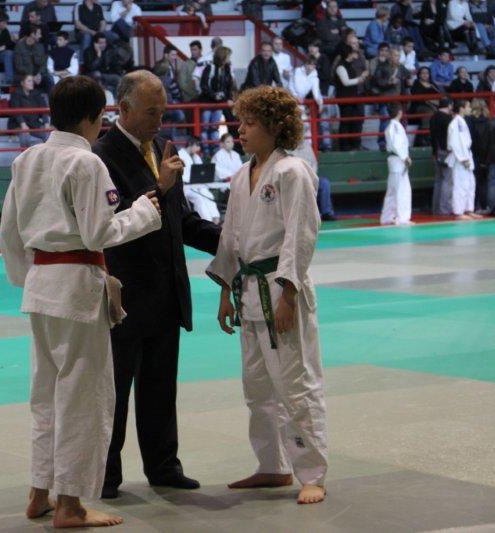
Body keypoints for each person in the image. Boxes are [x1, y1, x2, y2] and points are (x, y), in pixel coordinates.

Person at [0, 74, 163, 529]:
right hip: (75, 288)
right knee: (82, 397)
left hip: (41, 285)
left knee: (46, 395)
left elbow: (9, 232)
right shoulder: (86, 162)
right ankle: (69, 505)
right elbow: (98, 233)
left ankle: (40, 492)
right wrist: (143, 212)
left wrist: (28, 280)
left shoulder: (26, 160)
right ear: (95, 117)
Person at [92, 70, 221, 499]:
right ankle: (105, 475)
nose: (159, 121)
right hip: (124, 293)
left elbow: (179, 218)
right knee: (115, 391)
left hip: (166, 289)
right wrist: (160, 185)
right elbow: (112, 224)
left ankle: (164, 466)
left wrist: (229, 241)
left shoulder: (163, 150)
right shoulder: (100, 156)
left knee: (161, 387)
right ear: (124, 109)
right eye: (151, 112)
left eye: (163, 112)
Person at [206, 85, 327, 506]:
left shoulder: (292, 172)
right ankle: (272, 465)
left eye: (250, 123)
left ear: (276, 127)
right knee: (257, 388)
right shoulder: (242, 175)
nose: (240, 130)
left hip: (279, 288)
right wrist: (226, 290)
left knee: (295, 384)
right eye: (240, 121)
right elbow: (231, 237)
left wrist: (289, 294)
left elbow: (301, 233)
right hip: (249, 292)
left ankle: (312, 473)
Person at [199, 46, 237, 155]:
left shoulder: (227, 69)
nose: (230, 59)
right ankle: (206, 152)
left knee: (215, 128)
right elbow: (204, 85)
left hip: (219, 103)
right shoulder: (210, 67)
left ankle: (215, 150)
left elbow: (229, 86)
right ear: (223, 57)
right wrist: (213, 95)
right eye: (228, 56)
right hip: (207, 103)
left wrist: (228, 98)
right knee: (205, 128)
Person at [447, 99, 481, 219]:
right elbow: (455, 142)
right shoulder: (455, 123)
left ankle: (468, 209)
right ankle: (458, 212)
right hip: (460, 158)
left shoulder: (462, 122)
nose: (470, 109)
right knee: (460, 185)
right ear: (461, 108)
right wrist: (462, 158)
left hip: (467, 155)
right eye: (468, 106)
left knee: (470, 184)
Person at [381, 103, 413, 225]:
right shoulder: (395, 127)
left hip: (396, 161)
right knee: (402, 191)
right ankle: (402, 218)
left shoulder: (392, 126)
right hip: (398, 160)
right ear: (400, 112)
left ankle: (387, 217)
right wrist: (405, 157)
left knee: (392, 191)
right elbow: (396, 144)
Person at [334, 44, 368, 151]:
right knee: (346, 122)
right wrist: (360, 79)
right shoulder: (340, 67)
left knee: (354, 122)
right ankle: (345, 146)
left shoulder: (349, 65)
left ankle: (354, 145)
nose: (355, 54)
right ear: (349, 54)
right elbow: (346, 82)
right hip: (345, 99)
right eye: (353, 52)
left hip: (352, 98)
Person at [178, 137, 220, 223]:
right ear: (190, 144)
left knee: (208, 195)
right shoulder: (180, 155)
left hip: (197, 185)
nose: (199, 148)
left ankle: (215, 218)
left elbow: (201, 171)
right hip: (185, 187)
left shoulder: (196, 156)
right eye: (197, 146)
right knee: (199, 198)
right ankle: (207, 221)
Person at [10, 74, 49, 147]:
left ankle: (47, 154)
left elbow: (44, 110)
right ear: (22, 83)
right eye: (29, 81)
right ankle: (25, 154)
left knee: (48, 135)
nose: (32, 83)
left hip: (34, 124)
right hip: (19, 124)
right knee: (25, 136)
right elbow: (16, 111)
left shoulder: (36, 93)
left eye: (32, 81)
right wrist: (23, 124)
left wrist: (46, 123)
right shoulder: (16, 94)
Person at [430, 96, 454, 214]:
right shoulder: (449, 119)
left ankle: (436, 208)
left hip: (435, 152)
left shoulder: (433, 117)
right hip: (446, 152)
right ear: (449, 105)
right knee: (447, 181)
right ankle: (444, 209)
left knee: (438, 180)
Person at [410, 66, 442, 147]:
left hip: (434, 106)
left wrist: (434, 101)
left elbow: (440, 95)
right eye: (423, 73)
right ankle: (425, 137)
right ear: (419, 75)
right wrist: (430, 100)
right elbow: (417, 97)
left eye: (427, 73)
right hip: (419, 106)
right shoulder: (416, 83)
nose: (425, 75)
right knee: (429, 112)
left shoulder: (432, 84)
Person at [14, 26, 49, 91]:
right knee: (25, 80)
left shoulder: (40, 46)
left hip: (38, 75)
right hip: (24, 74)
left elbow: (44, 63)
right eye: (39, 34)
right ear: (32, 34)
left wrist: (39, 74)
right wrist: (31, 76)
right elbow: (19, 66)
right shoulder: (19, 46)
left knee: (49, 78)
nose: (40, 36)